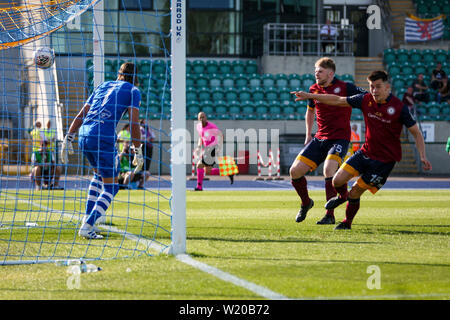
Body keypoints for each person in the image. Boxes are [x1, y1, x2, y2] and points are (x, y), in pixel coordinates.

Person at [293, 70, 432, 230]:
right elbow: (338, 100)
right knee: (336, 181)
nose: (374, 90)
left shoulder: (399, 108)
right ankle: (342, 196)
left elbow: (416, 133)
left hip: (384, 161)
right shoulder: (365, 99)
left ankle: (347, 222)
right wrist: (311, 96)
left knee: (355, 192)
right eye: (371, 87)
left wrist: (422, 156)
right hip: (365, 152)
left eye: (378, 87)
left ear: (387, 87)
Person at [60, 62, 143, 239]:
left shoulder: (103, 85)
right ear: (135, 77)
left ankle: (87, 220)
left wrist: (68, 137)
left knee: (98, 176)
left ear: (118, 74)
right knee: (112, 186)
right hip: (103, 136)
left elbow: (82, 113)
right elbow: (134, 123)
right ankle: (87, 226)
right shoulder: (133, 90)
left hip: (84, 134)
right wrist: (138, 150)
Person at [289, 57, 365, 225]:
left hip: (339, 138)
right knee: (294, 171)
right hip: (319, 138)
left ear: (330, 74)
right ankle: (306, 203)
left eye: (320, 71)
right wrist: (308, 134)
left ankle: (329, 214)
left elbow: (367, 97)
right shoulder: (313, 89)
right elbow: (310, 112)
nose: (316, 74)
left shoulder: (346, 87)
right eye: (315, 71)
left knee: (329, 169)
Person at [194, 111, 233, 191]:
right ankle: (228, 172)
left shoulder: (211, 126)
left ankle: (199, 187)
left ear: (206, 118)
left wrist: (219, 147)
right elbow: (200, 137)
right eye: (200, 117)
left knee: (199, 165)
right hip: (206, 149)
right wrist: (198, 146)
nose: (202, 119)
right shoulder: (198, 126)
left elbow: (221, 135)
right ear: (198, 119)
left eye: (203, 117)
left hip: (212, 148)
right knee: (207, 171)